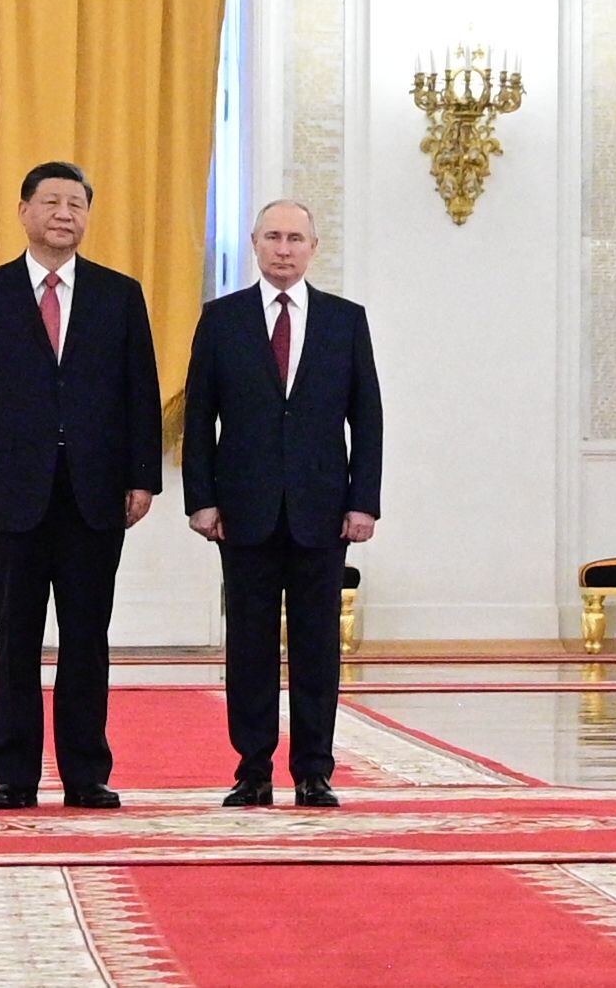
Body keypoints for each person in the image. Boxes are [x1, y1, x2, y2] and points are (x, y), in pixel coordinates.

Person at [0, 160, 163, 810]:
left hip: (95, 493)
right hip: (12, 491)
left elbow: (140, 394)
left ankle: (85, 774)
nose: (63, 214)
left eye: (75, 204)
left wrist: (142, 477)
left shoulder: (118, 295)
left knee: (86, 637)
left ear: (87, 217)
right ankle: (13, 775)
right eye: (51, 202)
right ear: (24, 212)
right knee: (15, 636)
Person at [183, 198, 380, 808]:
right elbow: (198, 418)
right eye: (273, 237)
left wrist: (364, 501)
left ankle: (315, 770)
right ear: (255, 244)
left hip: (323, 511)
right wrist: (201, 499)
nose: (284, 248)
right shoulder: (221, 320)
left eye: (296, 238)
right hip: (243, 510)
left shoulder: (346, 321)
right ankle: (253, 768)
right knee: (249, 643)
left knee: (318, 646)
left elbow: (366, 417)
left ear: (313, 248)